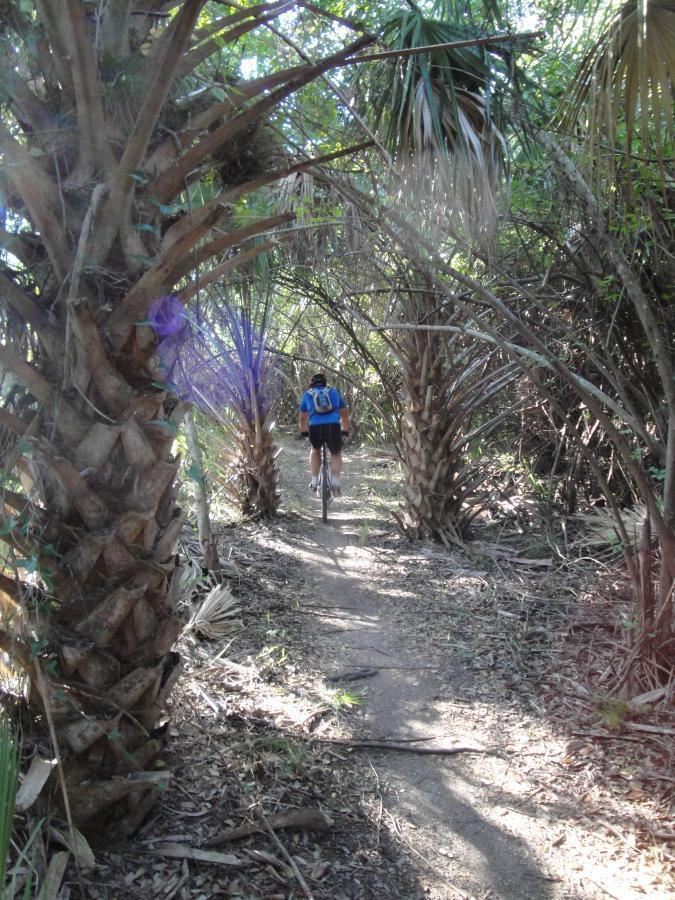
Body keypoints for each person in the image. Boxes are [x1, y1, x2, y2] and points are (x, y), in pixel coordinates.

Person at [299, 373, 351, 498]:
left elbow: (302, 417)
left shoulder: (307, 394)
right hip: (333, 426)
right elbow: (344, 415)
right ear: (325, 383)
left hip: (315, 427)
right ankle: (335, 482)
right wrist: (345, 430)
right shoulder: (333, 392)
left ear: (311, 384)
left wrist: (304, 432)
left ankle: (315, 480)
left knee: (315, 449)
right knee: (335, 453)